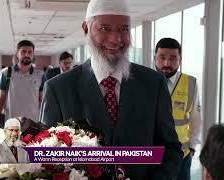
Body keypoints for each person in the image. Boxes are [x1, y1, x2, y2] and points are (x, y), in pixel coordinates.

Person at [39, 0, 183, 179]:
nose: (116, 39)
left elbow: (171, 149)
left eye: (123, 29)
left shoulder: (154, 84)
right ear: (86, 29)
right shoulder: (58, 89)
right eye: (105, 28)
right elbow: (46, 158)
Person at [154, 38, 203, 180]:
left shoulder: (190, 83)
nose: (166, 63)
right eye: (162, 57)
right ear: (155, 58)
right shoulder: (145, 82)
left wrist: (193, 147)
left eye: (173, 58)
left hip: (182, 154)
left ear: (180, 60)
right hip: (154, 153)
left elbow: (196, 119)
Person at [0, 40, 43, 128]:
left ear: (33, 54)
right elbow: (1, 97)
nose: (27, 54)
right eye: (23, 51)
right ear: (17, 53)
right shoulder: (6, 73)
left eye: (30, 52)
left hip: (33, 122)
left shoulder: (40, 75)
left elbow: (42, 100)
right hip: (11, 121)